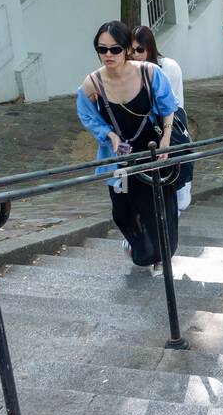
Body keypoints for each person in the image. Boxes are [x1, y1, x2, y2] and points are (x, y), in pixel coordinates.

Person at [76, 21, 180, 273]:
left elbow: (169, 107)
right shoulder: (92, 84)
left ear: (126, 49)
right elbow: (86, 116)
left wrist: (166, 139)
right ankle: (142, 250)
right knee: (122, 211)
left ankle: (160, 257)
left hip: (153, 150)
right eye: (102, 49)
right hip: (121, 154)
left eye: (115, 49)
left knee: (156, 208)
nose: (108, 55)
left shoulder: (149, 73)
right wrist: (109, 135)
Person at [132, 25, 193, 212]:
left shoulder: (167, 67)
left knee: (174, 163)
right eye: (131, 50)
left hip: (168, 124)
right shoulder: (132, 70)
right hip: (144, 128)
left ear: (149, 47)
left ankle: (178, 200)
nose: (135, 55)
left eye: (140, 50)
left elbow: (171, 105)